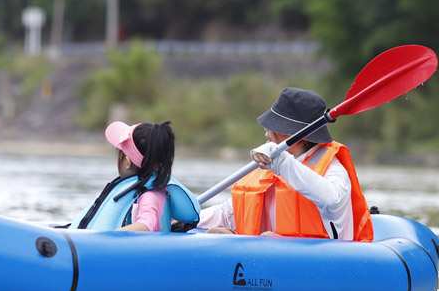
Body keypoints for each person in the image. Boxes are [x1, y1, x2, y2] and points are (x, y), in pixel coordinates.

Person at [198, 88, 373, 241]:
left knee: (269, 240)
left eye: (274, 128)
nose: (267, 134)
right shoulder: (268, 168)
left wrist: (282, 163)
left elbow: (331, 199)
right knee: (219, 234)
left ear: (297, 137)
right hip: (265, 262)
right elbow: (229, 213)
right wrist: (189, 217)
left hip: (318, 263)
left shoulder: (334, 171)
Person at [71, 120, 200, 232]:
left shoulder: (151, 195)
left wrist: (108, 237)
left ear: (127, 162)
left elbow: (146, 226)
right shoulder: (140, 191)